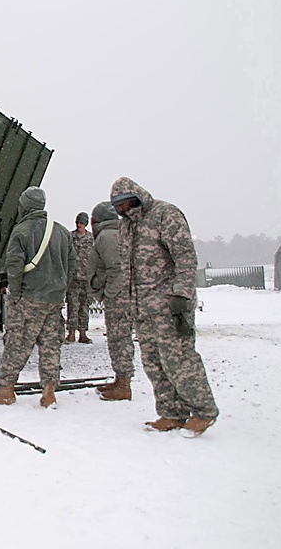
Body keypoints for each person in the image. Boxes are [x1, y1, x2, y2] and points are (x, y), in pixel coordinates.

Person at [110, 177, 219, 436]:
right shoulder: (125, 227)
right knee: (154, 363)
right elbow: (128, 267)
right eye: (117, 205)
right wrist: (128, 303)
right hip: (142, 309)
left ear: (136, 196)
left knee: (179, 360)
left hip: (168, 306)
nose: (122, 209)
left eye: (125, 203)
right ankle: (172, 413)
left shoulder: (165, 214)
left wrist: (181, 295)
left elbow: (185, 257)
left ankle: (203, 412)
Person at [0, 187, 75, 408]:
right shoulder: (61, 232)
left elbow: (13, 267)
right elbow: (71, 265)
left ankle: (6, 390)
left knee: (17, 343)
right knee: (51, 345)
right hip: (54, 299)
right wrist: (60, 287)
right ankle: (49, 389)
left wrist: (15, 294)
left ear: (24, 206)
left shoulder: (21, 231)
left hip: (29, 297)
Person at [87, 201, 135, 401]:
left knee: (118, 338)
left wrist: (107, 291)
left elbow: (114, 269)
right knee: (120, 336)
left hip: (118, 296)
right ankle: (121, 378)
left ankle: (124, 384)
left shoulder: (107, 237)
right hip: (126, 293)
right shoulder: (123, 232)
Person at [65, 211, 94, 344]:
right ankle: (71, 332)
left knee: (84, 306)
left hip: (87, 278)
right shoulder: (70, 237)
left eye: (81, 223)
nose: (79, 225)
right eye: (77, 222)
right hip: (73, 278)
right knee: (72, 305)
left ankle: (83, 333)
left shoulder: (91, 239)